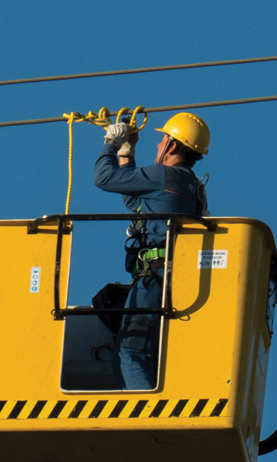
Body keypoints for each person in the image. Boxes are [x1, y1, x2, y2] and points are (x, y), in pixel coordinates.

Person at [93, 112, 210, 390]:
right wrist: (127, 152)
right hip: (177, 277)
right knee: (135, 349)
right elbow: (134, 201)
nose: (157, 145)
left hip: (154, 277)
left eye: (161, 140)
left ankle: (145, 415)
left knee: (132, 352)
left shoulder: (161, 175)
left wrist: (111, 142)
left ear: (171, 145)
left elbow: (104, 178)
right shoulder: (194, 187)